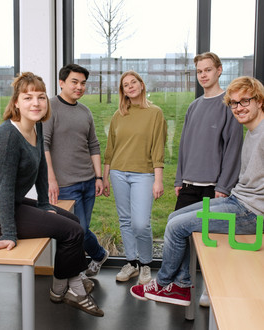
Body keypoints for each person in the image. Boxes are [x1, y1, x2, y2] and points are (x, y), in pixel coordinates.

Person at [0, 72, 104, 317]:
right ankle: (70, 288)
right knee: (73, 231)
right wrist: (8, 233)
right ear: (16, 103)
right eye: (28, 97)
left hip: (12, 204)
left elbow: (42, 165)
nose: (36, 103)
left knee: (73, 222)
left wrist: (44, 203)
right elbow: (5, 189)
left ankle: (62, 287)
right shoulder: (7, 137)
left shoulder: (36, 127)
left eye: (41, 97)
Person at [130, 76, 264, 307]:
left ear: (259, 101)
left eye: (245, 101)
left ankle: (164, 284)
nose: (238, 108)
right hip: (239, 201)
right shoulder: (253, 131)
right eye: (234, 103)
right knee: (173, 218)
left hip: (251, 212)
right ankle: (181, 286)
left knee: (176, 225)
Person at [174, 52, 243, 306]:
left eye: (208, 70)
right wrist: (179, 180)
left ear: (219, 70)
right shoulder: (194, 106)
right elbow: (183, 147)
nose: (203, 75)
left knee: (212, 243)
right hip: (190, 185)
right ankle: (182, 284)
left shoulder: (229, 106)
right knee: (177, 233)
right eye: (199, 71)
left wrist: (224, 187)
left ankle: (210, 288)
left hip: (216, 189)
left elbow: (234, 149)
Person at [43, 64, 109, 279]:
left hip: (88, 182)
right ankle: (85, 267)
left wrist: (98, 177)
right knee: (76, 231)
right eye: (74, 82)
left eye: (83, 83)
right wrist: (51, 179)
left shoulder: (85, 111)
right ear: (61, 82)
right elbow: (43, 145)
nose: (79, 87)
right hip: (65, 185)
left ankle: (95, 258)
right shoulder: (50, 108)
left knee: (82, 228)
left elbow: (94, 145)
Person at [103, 70, 167, 284]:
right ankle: (131, 263)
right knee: (125, 220)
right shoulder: (118, 114)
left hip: (144, 174)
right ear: (123, 91)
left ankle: (146, 265)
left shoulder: (155, 113)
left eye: (133, 82)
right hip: (118, 173)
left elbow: (159, 147)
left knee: (141, 223)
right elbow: (110, 149)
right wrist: (105, 177)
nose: (130, 87)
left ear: (141, 85)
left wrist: (158, 179)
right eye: (125, 85)